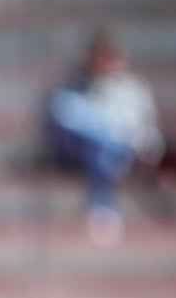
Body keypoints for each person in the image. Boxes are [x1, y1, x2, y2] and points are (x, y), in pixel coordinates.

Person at [43, 27, 164, 246]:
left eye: (110, 56)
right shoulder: (72, 87)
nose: (106, 62)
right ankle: (102, 206)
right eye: (101, 56)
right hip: (79, 150)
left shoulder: (135, 89)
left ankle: (102, 206)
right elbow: (65, 119)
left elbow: (146, 129)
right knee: (98, 144)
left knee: (104, 148)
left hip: (122, 149)